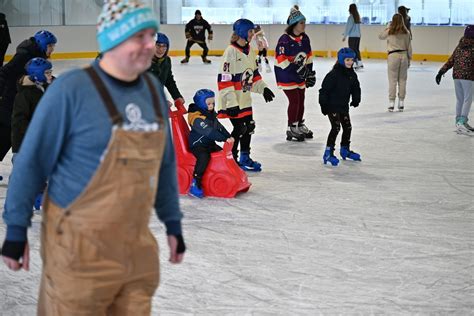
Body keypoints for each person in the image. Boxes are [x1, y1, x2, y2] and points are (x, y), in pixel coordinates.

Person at [1, 1, 185, 314]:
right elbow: (30, 161)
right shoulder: (69, 90)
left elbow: (164, 161)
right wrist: (17, 229)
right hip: (76, 240)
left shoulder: (151, 92)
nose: (146, 46)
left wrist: (172, 222)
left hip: (133, 239)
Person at [217, 18, 275, 172]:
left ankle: (244, 157)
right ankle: (231, 158)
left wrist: (263, 88)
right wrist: (231, 103)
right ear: (242, 32)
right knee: (239, 129)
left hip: (245, 100)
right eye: (250, 31)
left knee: (248, 127)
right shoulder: (230, 52)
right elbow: (224, 81)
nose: (252, 35)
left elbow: (253, 76)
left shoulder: (250, 51)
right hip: (233, 101)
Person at [0, 29, 57, 181]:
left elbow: (42, 77)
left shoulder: (36, 54)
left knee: (9, 135)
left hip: (22, 99)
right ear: (41, 44)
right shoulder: (25, 55)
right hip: (11, 100)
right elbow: (5, 72)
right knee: (7, 135)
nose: (52, 49)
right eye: (50, 46)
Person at [10, 57, 53, 210]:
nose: (50, 75)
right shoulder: (24, 95)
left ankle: (38, 195)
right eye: (47, 72)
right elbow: (19, 120)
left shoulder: (43, 86)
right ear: (37, 75)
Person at [275, 5, 316, 142]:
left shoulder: (305, 38)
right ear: (294, 24)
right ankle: (291, 127)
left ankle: (299, 123)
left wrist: (310, 73)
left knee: (301, 98)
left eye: (304, 22)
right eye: (301, 23)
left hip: (300, 74)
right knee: (295, 100)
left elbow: (308, 56)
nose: (304, 25)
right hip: (285, 74)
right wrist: (298, 71)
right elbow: (281, 60)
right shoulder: (284, 39)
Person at [319, 48, 361, 166]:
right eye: (347, 60)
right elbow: (324, 91)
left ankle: (345, 149)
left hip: (343, 106)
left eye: (352, 60)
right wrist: (323, 105)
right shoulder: (333, 74)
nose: (350, 62)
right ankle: (328, 152)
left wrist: (356, 99)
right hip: (332, 106)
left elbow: (356, 88)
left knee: (348, 127)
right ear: (341, 60)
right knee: (336, 127)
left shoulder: (352, 74)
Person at [187, 89, 233, 198]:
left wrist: (228, 136)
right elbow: (210, 132)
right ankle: (195, 182)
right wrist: (223, 139)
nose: (211, 105)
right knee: (204, 157)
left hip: (208, 143)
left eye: (213, 103)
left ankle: (225, 174)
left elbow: (219, 127)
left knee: (222, 154)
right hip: (198, 145)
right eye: (208, 103)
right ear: (201, 104)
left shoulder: (210, 114)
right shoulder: (197, 118)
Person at [436, 25, 474, 136]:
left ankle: (459, 122)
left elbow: (451, 60)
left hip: (457, 76)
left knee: (460, 99)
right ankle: (462, 122)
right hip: (468, 77)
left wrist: (441, 71)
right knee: (468, 99)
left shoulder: (460, 45)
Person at [378, 13, 412, 112]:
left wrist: (387, 27)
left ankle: (391, 103)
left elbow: (380, 36)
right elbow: (409, 47)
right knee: (402, 80)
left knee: (392, 80)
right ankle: (401, 102)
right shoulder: (407, 32)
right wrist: (409, 58)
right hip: (404, 55)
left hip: (393, 56)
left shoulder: (389, 31)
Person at [148, 32, 185, 106]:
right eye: (158, 45)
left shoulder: (166, 61)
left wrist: (177, 96)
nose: (161, 49)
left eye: (164, 46)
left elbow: (169, 80)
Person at [342, 4, 363, 69]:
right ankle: (359, 62)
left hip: (352, 36)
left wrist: (345, 36)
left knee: (352, 50)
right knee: (356, 49)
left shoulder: (351, 17)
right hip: (358, 36)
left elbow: (349, 27)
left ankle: (354, 63)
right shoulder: (357, 17)